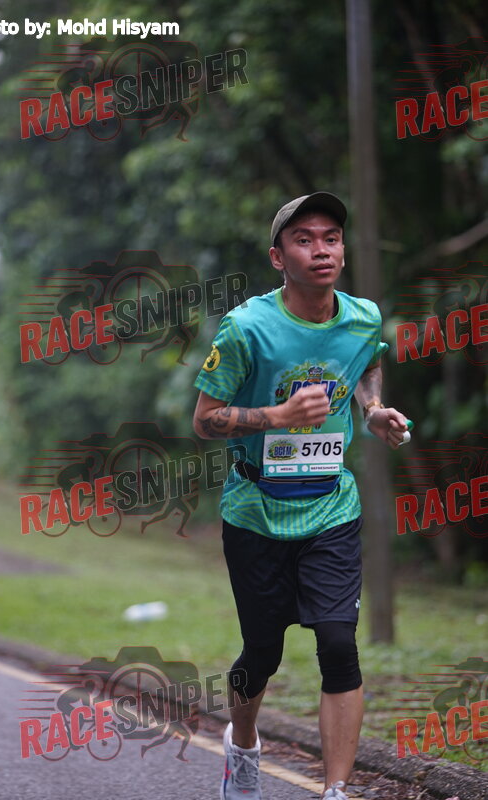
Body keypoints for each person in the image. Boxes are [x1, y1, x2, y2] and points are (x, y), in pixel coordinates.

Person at [192, 192, 409, 800]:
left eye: (331, 238)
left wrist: (372, 409)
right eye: (305, 239)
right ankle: (242, 745)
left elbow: (367, 360)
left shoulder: (363, 317)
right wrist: (277, 416)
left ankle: (336, 790)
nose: (322, 250)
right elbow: (204, 420)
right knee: (262, 652)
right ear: (278, 257)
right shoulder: (246, 328)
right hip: (256, 512)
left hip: (331, 508)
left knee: (338, 644)